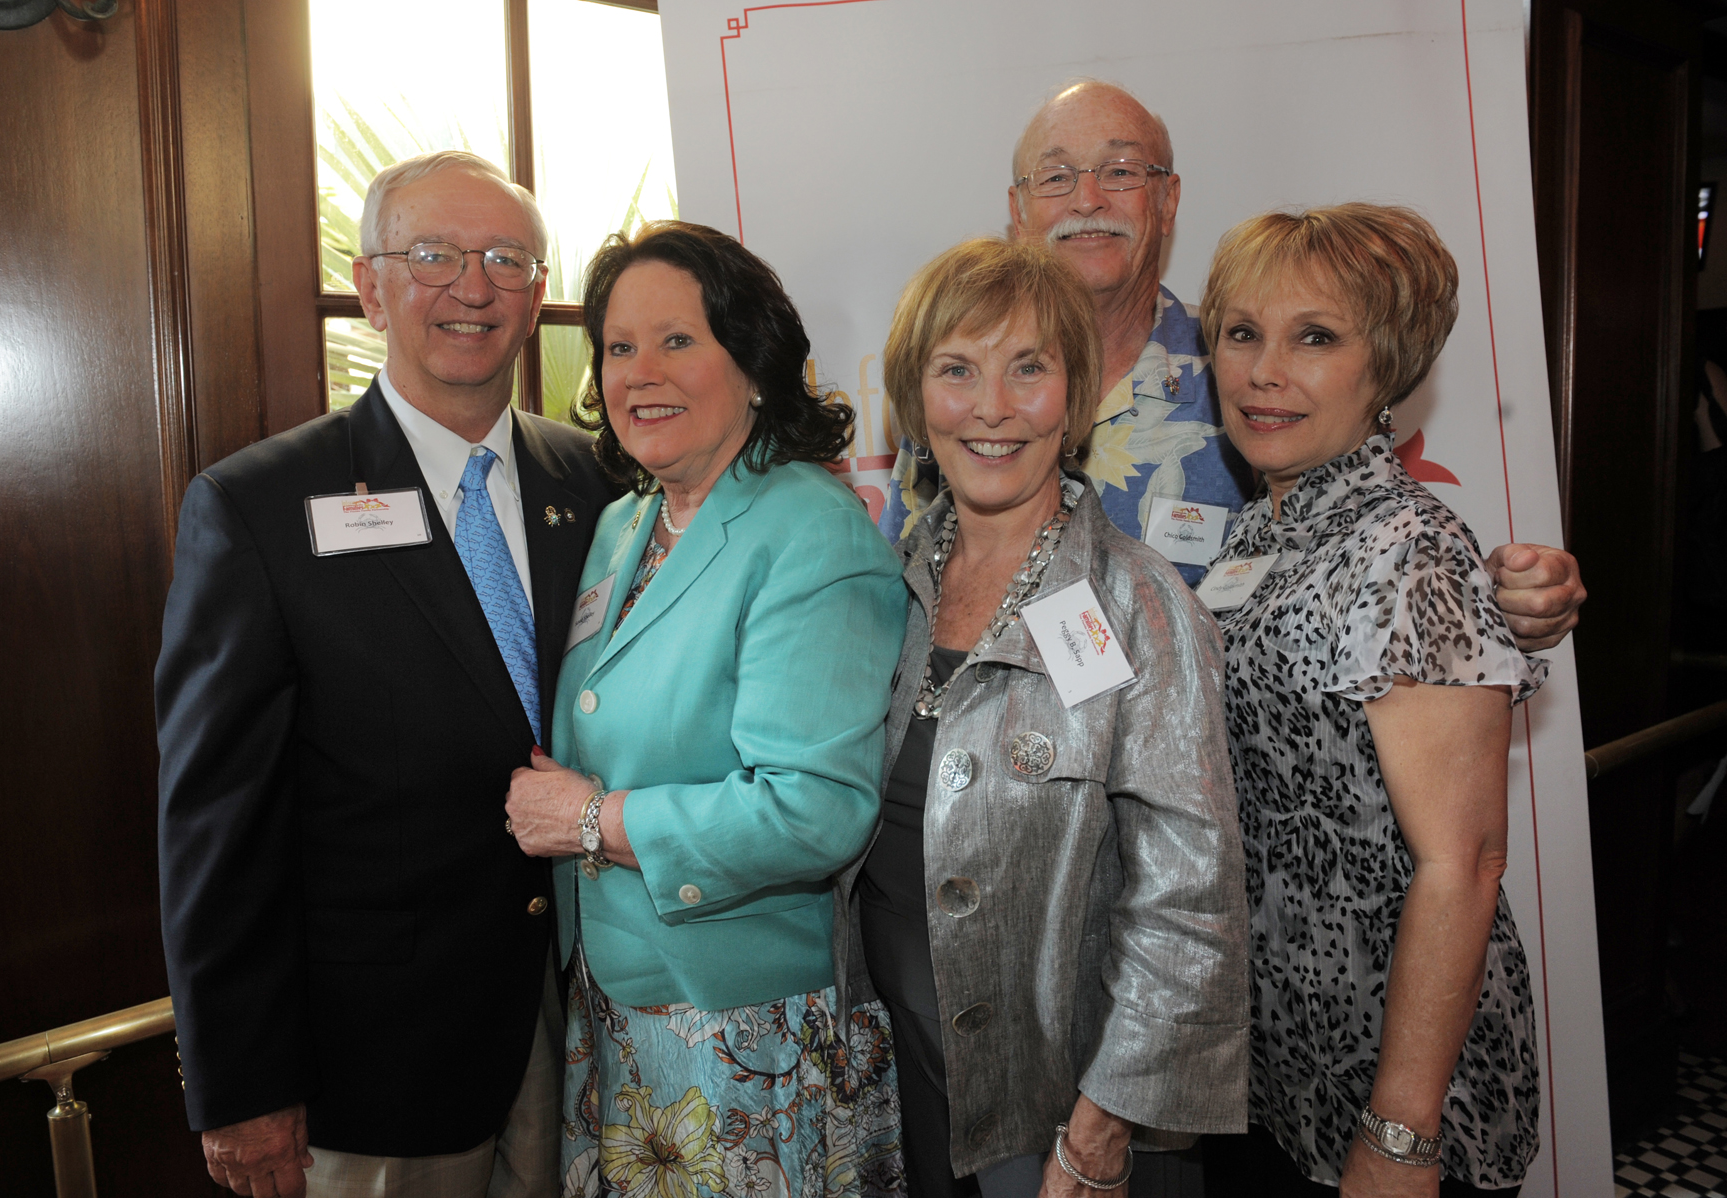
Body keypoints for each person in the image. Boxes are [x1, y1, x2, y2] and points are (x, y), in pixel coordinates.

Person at [157, 150, 616, 1198]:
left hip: (585, 1036)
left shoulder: (596, 484)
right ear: (370, 286)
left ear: (539, 294)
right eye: (434, 255)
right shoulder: (259, 507)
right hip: (373, 1066)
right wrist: (238, 1082)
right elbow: (215, 824)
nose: (474, 285)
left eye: (507, 258)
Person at [881, 80, 1586, 652]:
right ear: (1019, 209)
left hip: (1206, 791)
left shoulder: (1245, 377)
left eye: (1121, 171)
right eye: (1056, 176)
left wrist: (1503, 597)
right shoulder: (958, 399)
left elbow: (1367, 541)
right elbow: (895, 592)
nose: (1087, 199)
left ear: (1168, 200)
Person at [499, 221, 910, 1198]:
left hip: (742, 1028)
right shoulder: (623, 523)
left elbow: (814, 808)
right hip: (615, 1012)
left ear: (756, 361)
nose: (643, 371)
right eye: (620, 346)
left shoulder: (811, 533)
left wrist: (591, 821)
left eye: (678, 339)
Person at [837, 236, 1248, 1198]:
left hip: (1063, 1118)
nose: (991, 407)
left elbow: (1188, 908)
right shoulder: (881, 586)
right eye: (956, 370)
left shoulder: (1141, 608)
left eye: (1029, 368)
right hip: (904, 1085)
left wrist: (1099, 1132)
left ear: (1075, 396)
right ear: (913, 395)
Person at [1196, 204, 1544, 1196]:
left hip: (1394, 1084)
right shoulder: (1258, 536)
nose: (1265, 371)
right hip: (1283, 1061)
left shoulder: (1407, 553)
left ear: (1385, 365)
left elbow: (1462, 863)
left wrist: (1400, 1135)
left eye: (1316, 337)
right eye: (1242, 333)